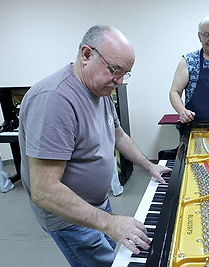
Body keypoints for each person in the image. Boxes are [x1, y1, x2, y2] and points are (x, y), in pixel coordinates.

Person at [18, 25, 171, 267]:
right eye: (115, 70)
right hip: (69, 218)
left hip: (97, 203)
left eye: (125, 74)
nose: (119, 81)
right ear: (86, 54)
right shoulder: (54, 99)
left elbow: (118, 135)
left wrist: (149, 166)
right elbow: (44, 190)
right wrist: (109, 224)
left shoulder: (100, 90)